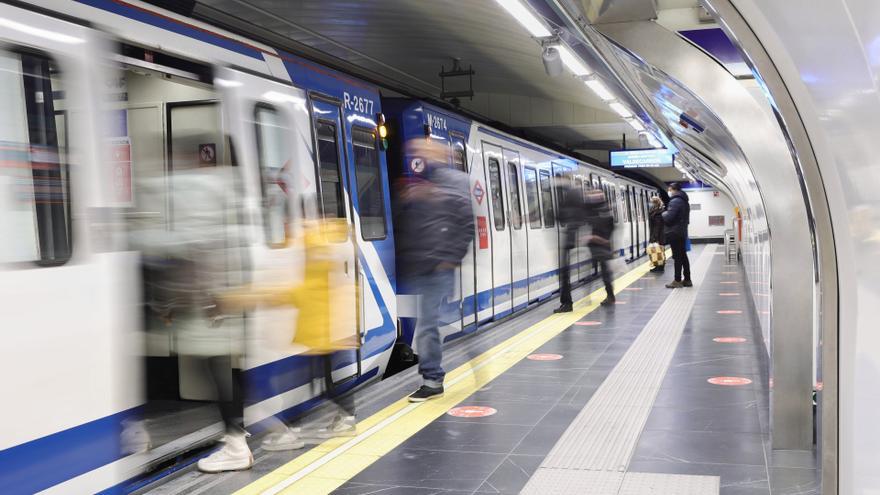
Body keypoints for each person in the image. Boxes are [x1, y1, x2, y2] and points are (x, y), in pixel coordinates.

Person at [396, 160, 474, 403]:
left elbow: (466, 227)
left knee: (428, 325)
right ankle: (434, 375)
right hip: (424, 268)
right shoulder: (421, 198)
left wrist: (449, 260)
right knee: (428, 325)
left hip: (438, 269)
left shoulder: (450, 192)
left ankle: (432, 380)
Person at [554, 179, 587, 313]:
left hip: (570, 239)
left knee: (564, 272)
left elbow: (559, 216)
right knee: (566, 272)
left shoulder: (571, 195)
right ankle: (568, 302)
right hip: (575, 239)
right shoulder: (579, 196)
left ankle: (567, 303)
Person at [584, 188, 615, 305]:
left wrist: (594, 238)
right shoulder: (600, 208)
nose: (593, 197)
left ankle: (610, 296)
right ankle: (606, 295)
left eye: (595, 195)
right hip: (598, 245)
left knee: (605, 272)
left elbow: (604, 228)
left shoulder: (603, 211)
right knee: (600, 271)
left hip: (601, 245)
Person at [662, 182, 692, 288]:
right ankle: (687, 279)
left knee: (677, 257)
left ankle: (677, 280)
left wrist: (663, 213)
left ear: (673, 189)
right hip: (681, 232)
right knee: (683, 256)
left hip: (674, 232)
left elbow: (669, 218)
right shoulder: (684, 201)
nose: (669, 192)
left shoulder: (675, 201)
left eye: (669, 189)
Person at [648, 196, 666, 273]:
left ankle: (660, 266)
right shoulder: (657, 211)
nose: (650, 204)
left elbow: (657, 226)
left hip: (659, 235)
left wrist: (655, 237)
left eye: (652, 202)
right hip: (658, 234)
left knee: (659, 250)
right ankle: (658, 265)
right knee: (659, 250)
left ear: (655, 203)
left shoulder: (658, 213)